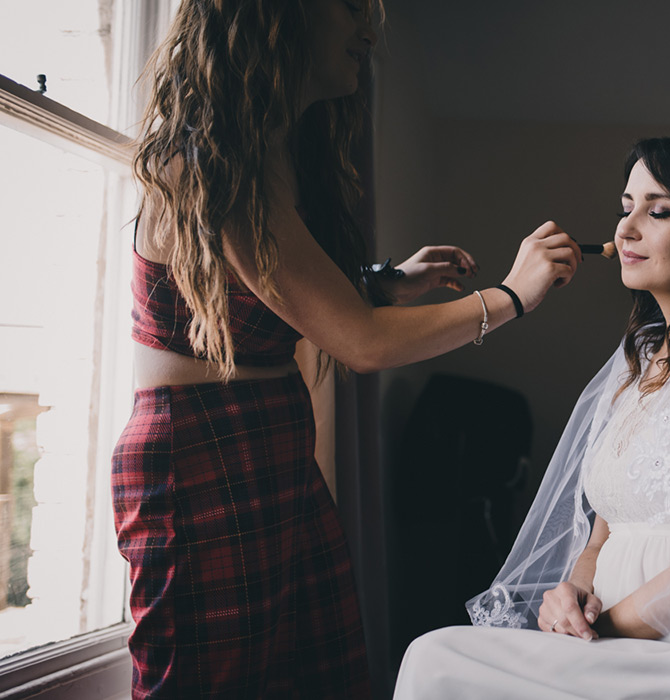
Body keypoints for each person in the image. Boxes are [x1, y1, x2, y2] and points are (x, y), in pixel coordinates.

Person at [110, 1, 580, 697]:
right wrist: (513, 295)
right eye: (346, 11)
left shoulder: (275, 152)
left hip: (271, 434)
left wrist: (381, 282)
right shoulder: (211, 162)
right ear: (278, 19)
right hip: (200, 453)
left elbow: (276, 295)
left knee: (314, 673)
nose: (367, 33)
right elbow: (358, 344)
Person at [393, 122, 670, 699]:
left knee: (437, 658)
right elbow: (596, 540)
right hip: (615, 635)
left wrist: (597, 630)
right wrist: (570, 598)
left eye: (659, 212)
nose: (626, 228)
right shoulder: (640, 370)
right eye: (625, 206)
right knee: (438, 657)